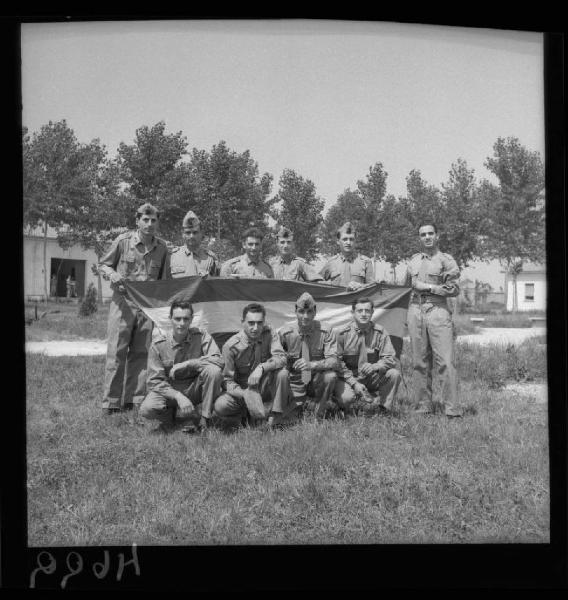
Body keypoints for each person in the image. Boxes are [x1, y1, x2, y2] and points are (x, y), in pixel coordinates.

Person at [98, 203, 170, 414]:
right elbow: (103, 264)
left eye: (153, 220)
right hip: (123, 304)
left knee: (141, 354)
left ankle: (134, 399)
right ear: (137, 220)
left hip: (147, 307)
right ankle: (111, 403)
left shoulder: (162, 248)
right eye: (145, 220)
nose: (149, 224)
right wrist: (111, 274)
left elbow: (164, 282)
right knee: (116, 353)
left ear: (157, 222)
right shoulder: (123, 242)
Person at [139, 299, 224, 434]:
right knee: (147, 409)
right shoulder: (158, 345)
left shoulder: (201, 337)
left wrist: (188, 363)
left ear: (191, 320)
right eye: (177, 319)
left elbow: (218, 360)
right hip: (170, 391)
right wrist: (178, 396)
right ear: (170, 319)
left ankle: (204, 419)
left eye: (186, 319)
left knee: (214, 371)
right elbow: (154, 382)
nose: (182, 323)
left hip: (195, 388)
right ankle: (169, 418)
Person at [405, 222, 462, 417]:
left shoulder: (446, 260)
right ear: (419, 238)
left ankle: (452, 410)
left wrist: (429, 288)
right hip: (415, 310)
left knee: (445, 361)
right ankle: (423, 407)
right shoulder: (412, 261)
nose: (427, 237)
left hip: (438, 309)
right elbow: (404, 288)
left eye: (430, 233)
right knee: (419, 362)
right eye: (423, 234)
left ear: (437, 236)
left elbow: (454, 289)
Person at [214, 303, 294, 428]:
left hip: (264, 386)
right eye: (251, 323)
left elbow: (281, 358)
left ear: (264, 322)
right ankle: (245, 416)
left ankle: (276, 417)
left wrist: (262, 367)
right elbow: (226, 381)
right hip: (243, 391)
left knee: (283, 373)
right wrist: (245, 395)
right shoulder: (230, 346)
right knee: (220, 405)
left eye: (259, 323)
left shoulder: (269, 333)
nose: (255, 328)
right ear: (242, 322)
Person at [277, 292, 339, 419]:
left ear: (315, 312)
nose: (305, 316)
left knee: (330, 376)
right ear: (295, 311)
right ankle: (288, 407)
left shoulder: (326, 331)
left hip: (316, 379)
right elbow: (277, 360)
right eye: (301, 311)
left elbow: (334, 361)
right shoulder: (285, 333)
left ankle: (319, 413)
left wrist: (312, 365)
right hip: (294, 380)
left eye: (309, 312)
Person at [334, 297, 401, 414]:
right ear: (352, 313)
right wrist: (354, 384)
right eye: (360, 311)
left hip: (371, 377)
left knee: (394, 374)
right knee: (346, 398)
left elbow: (390, 358)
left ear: (372, 312)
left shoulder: (380, 333)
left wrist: (376, 366)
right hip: (349, 378)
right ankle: (341, 407)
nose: (364, 314)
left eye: (367, 311)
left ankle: (384, 409)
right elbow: (337, 363)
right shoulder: (342, 334)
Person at [319, 222, 375, 290]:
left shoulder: (366, 262)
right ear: (338, 241)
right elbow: (317, 283)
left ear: (355, 241)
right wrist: (329, 284)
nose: (348, 243)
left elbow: (373, 288)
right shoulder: (331, 262)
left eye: (351, 239)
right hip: (337, 300)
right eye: (345, 239)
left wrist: (361, 286)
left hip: (358, 300)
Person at [168, 210, 219, 277]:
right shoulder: (172, 257)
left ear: (201, 233)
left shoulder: (210, 259)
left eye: (195, 232)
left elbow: (216, 284)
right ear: (183, 234)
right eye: (188, 233)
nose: (191, 236)